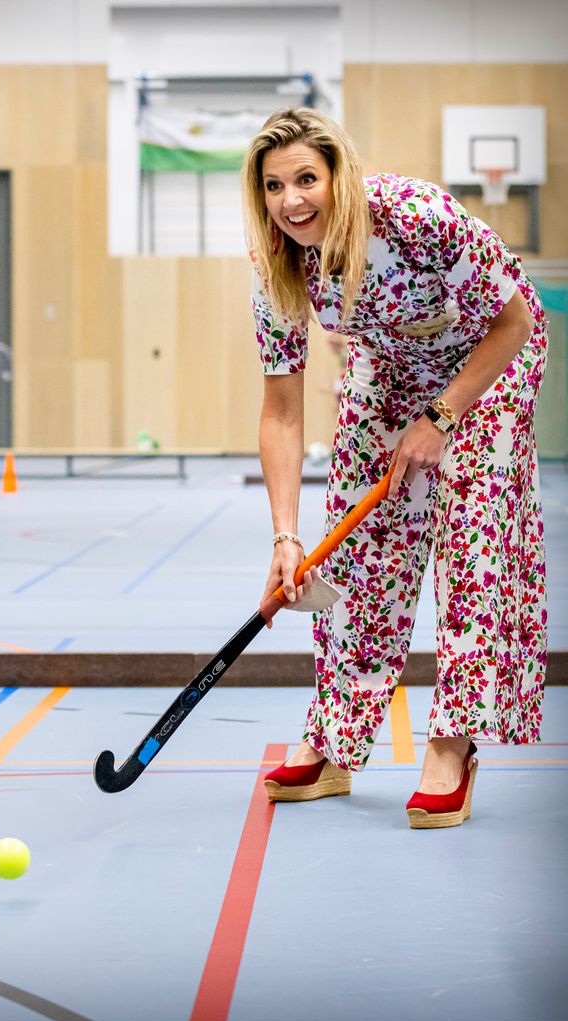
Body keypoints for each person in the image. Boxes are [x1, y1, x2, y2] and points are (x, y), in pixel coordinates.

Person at [241, 108, 548, 828]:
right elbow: (282, 411)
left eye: (307, 178)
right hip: (391, 369)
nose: (292, 201)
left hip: (489, 361)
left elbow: (515, 324)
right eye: (275, 186)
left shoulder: (415, 215)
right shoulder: (277, 261)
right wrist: (286, 539)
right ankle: (338, 737)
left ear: (338, 174)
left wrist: (441, 419)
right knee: (354, 544)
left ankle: (452, 746)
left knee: (472, 537)